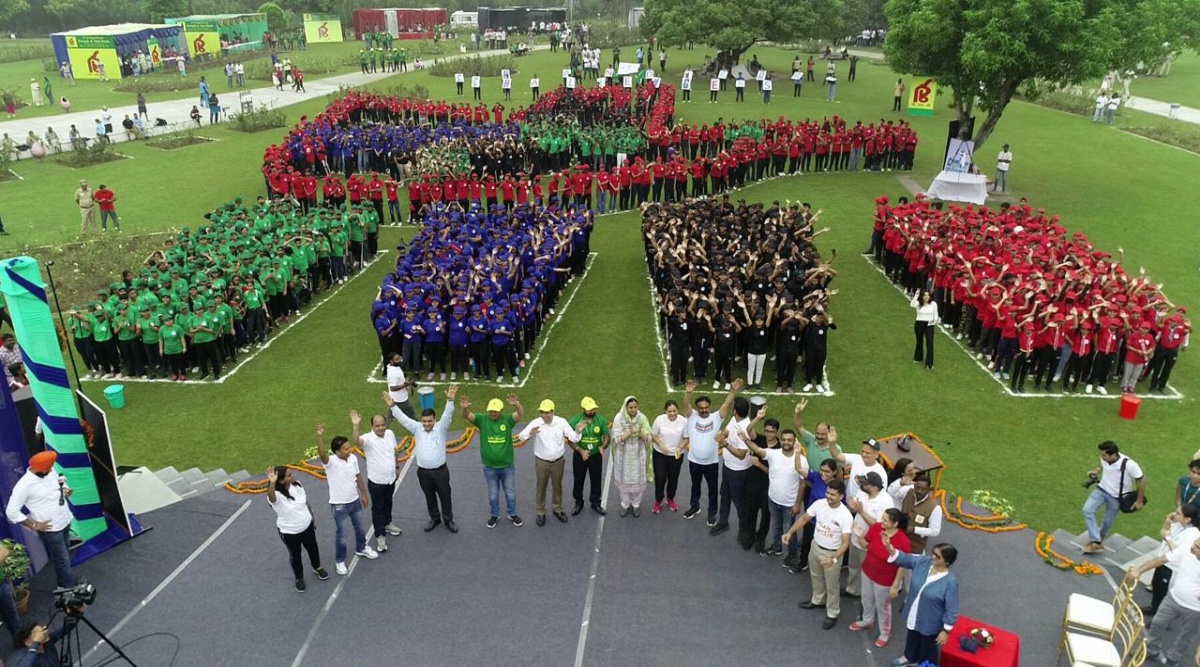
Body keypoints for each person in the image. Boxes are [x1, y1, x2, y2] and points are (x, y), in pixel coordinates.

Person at [385, 386, 459, 533]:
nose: (426, 424)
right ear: (421, 420)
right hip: (423, 472)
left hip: (440, 471)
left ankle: (448, 519)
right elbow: (403, 419)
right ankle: (434, 517)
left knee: (445, 495)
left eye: (429, 421)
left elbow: (448, 414)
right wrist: (393, 406)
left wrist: (450, 400)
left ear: (434, 420)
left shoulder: (442, 427)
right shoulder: (416, 428)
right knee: (429, 496)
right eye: (424, 421)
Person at [785, 478, 852, 630]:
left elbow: (845, 543)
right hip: (815, 547)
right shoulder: (819, 504)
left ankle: (833, 613)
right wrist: (790, 532)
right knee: (815, 576)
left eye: (833, 494)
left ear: (841, 496)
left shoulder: (845, 515)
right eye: (828, 493)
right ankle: (818, 600)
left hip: (832, 554)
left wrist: (833, 558)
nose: (828, 496)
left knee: (832, 585)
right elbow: (804, 518)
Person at [883, 539, 960, 667]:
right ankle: (909, 656)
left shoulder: (950, 582)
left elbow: (952, 609)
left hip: (930, 621)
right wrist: (890, 548)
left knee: (927, 646)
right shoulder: (923, 562)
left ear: (946, 561)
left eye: (937, 556)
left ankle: (924, 664)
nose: (933, 557)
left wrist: (946, 631)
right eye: (933, 553)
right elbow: (905, 559)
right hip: (914, 612)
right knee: (912, 636)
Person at [5, 451, 75, 588]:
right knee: (63, 560)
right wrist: (33, 525)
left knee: (65, 555)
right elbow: (11, 511)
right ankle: (69, 589)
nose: (51, 469)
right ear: (39, 470)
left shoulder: (50, 471)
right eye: (48, 468)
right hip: (51, 530)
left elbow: (61, 480)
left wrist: (65, 490)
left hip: (65, 520)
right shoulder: (24, 485)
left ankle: (66, 583)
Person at [1126, 537, 1200, 666]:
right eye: (1195, 542)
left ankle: (1173, 658)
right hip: (1172, 598)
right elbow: (1160, 559)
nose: (1193, 546)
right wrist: (1138, 571)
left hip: (1195, 609)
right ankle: (1151, 650)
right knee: (1157, 623)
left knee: (1185, 636)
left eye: (1198, 547)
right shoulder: (1187, 550)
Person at [315, 422, 377, 575]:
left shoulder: (353, 459)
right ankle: (340, 561)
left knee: (360, 527)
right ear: (337, 451)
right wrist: (320, 437)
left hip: (354, 501)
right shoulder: (330, 462)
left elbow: (358, 477)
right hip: (339, 505)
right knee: (341, 534)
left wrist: (363, 494)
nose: (349, 450)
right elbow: (322, 454)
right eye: (346, 449)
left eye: (349, 447)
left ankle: (362, 548)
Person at [681, 379, 742, 525]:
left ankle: (712, 513)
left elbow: (726, 404)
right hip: (694, 461)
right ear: (697, 408)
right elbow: (685, 405)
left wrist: (732, 391)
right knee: (695, 486)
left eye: (706, 407)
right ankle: (694, 506)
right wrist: (688, 393)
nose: (703, 410)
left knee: (713, 489)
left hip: (711, 463)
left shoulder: (716, 418)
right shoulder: (691, 416)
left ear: (710, 407)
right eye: (701, 408)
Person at [460, 393, 525, 528]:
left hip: (507, 465)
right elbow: (467, 416)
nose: (493, 413)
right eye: (491, 410)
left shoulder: (507, 420)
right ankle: (494, 514)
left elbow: (520, 414)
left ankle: (512, 513)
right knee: (493, 494)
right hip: (489, 467)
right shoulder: (482, 419)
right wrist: (465, 408)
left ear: (501, 411)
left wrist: (517, 405)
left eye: (495, 411)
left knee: (510, 492)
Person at [745, 424, 807, 561]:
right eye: (784, 439)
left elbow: (803, 484)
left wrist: (797, 504)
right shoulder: (773, 454)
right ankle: (777, 547)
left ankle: (792, 554)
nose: (786, 442)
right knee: (775, 526)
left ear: (795, 441)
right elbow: (759, 450)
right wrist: (746, 440)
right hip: (773, 500)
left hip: (789, 504)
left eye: (789, 440)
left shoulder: (801, 460)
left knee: (789, 530)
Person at [517, 399, 584, 526]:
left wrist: (578, 431)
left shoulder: (561, 422)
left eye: (547, 412)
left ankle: (557, 509)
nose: (544, 415)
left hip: (559, 461)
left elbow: (573, 437)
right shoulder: (536, 423)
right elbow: (521, 436)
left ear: (553, 412)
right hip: (542, 462)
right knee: (541, 487)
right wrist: (530, 433)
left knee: (557, 486)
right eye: (542, 412)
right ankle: (541, 511)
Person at [852, 508, 911, 647]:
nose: (881, 521)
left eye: (885, 519)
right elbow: (865, 545)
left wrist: (895, 586)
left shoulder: (903, 541)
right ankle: (867, 620)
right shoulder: (876, 528)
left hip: (884, 580)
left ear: (895, 523)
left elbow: (903, 566)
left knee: (883, 606)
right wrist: (860, 536)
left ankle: (885, 632)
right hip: (867, 571)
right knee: (866, 598)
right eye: (882, 518)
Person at [265, 466, 329, 592]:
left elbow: (306, 503)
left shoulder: (297, 485)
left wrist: (312, 518)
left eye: (291, 473)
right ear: (281, 481)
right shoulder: (276, 495)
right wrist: (272, 482)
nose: (293, 476)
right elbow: (271, 497)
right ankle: (299, 578)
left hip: (307, 525)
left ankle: (317, 567)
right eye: (289, 476)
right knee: (295, 555)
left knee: (313, 548)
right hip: (290, 532)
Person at [350, 410, 402, 553]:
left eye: (383, 425)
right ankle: (380, 535)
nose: (381, 428)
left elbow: (395, 451)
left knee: (388, 502)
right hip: (376, 481)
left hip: (390, 478)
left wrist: (397, 467)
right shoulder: (367, 438)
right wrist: (355, 426)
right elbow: (356, 441)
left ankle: (388, 523)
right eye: (377, 425)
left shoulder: (390, 434)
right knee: (378, 508)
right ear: (371, 426)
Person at [1082, 440, 1145, 554]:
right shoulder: (1105, 458)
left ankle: (1098, 538)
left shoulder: (1130, 465)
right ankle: (1096, 541)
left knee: (1107, 522)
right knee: (1087, 510)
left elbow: (1141, 480)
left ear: (1113, 454)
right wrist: (1097, 470)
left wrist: (1139, 501)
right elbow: (1103, 464)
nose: (1101, 457)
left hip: (1117, 497)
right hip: (1101, 490)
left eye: (1104, 455)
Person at [1143, 505, 1200, 618]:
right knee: (1156, 585)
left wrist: (1168, 538)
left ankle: (1162, 616)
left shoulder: (1193, 534)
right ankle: (1154, 607)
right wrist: (1167, 522)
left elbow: (1178, 553)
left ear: (1188, 519)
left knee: (1164, 591)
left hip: (1172, 567)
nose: (1174, 514)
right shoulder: (1178, 525)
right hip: (1163, 560)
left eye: (1178, 513)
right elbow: (1164, 532)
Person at [610, 396, 651, 516]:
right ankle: (625, 504)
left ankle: (636, 505)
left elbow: (649, 438)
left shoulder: (642, 418)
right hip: (623, 456)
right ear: (625, 407)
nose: (633, 410)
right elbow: (615, 439)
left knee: (638, 483)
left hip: (639, 456)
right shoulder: (619, 418)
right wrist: (627, 435)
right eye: (630, 407)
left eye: (635, 407)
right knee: (624, 483)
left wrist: (641, 434)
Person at [568, 397, 609, 516]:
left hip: (596, 456)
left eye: (593, 409)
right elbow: (570, 439)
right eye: (589, 409)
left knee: (596, 479)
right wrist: (580, 451)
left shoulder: (601, 420)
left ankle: (595, 502)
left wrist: (603, 446)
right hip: (580, 456)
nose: (591, 411)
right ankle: (578, 502)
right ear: (583, 409)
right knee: (578, 479)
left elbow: (606, 436)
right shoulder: (575, 421)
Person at [650, 399, 688, 513]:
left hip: (676, 455)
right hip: (660, 454)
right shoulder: (659, 420)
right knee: (660, 478)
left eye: (674, 411)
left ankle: (670, 499)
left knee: (673, 478)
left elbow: (686, 438)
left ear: (678, 410)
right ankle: (658, 500)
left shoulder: (683, 421)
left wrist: (680, 448)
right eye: (669, 411)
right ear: (665, 411)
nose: (672, 413)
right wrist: (661, 444)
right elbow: (653, 435)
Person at [911, 290, 938, 369]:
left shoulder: (933, 304)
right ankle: (918, 357)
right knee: (919, 341)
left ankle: (929, 364)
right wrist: (916, 295)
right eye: (925, 295)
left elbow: (936, 315)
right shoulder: (918, 304)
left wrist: (934, 321)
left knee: (930, 343)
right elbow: (911, 304)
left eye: (928, 295)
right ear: (922, 296)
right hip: (919, 324)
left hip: (930, 325)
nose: (927, 297)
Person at [384, 352, 414, 421]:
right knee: (411, 414)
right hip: (400, 399)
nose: (400, 360)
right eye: (397, 359)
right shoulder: (393, 373)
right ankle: (421, 429)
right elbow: (392, 388)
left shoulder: (392, 366)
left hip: (395, 398)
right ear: (391, 361)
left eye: (399, 358)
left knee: (389, 417)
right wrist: (406, 384)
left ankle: (380, 430)